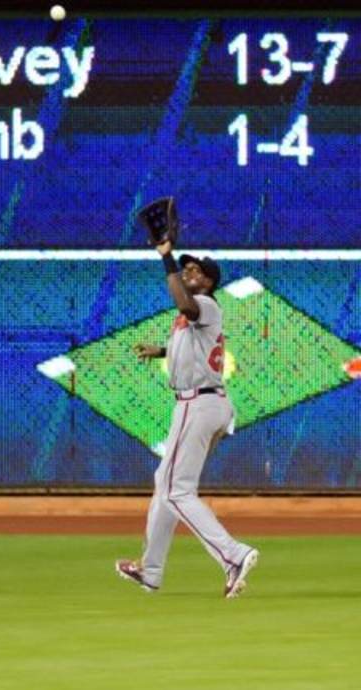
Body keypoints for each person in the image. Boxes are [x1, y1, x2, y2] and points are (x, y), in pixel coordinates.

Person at [115, 240, 259, 598]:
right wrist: (161, 351)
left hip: (199, 405)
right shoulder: (193, 317)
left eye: (195, 270)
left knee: (178, 490)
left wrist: (165, 256)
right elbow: (194, 347)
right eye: (186, 268)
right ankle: (150, 570)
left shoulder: (205, 305)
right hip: (200, 405)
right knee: (165, 483)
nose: (188, 272)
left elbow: (183, 302)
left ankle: (234, 556)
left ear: (209, 282)